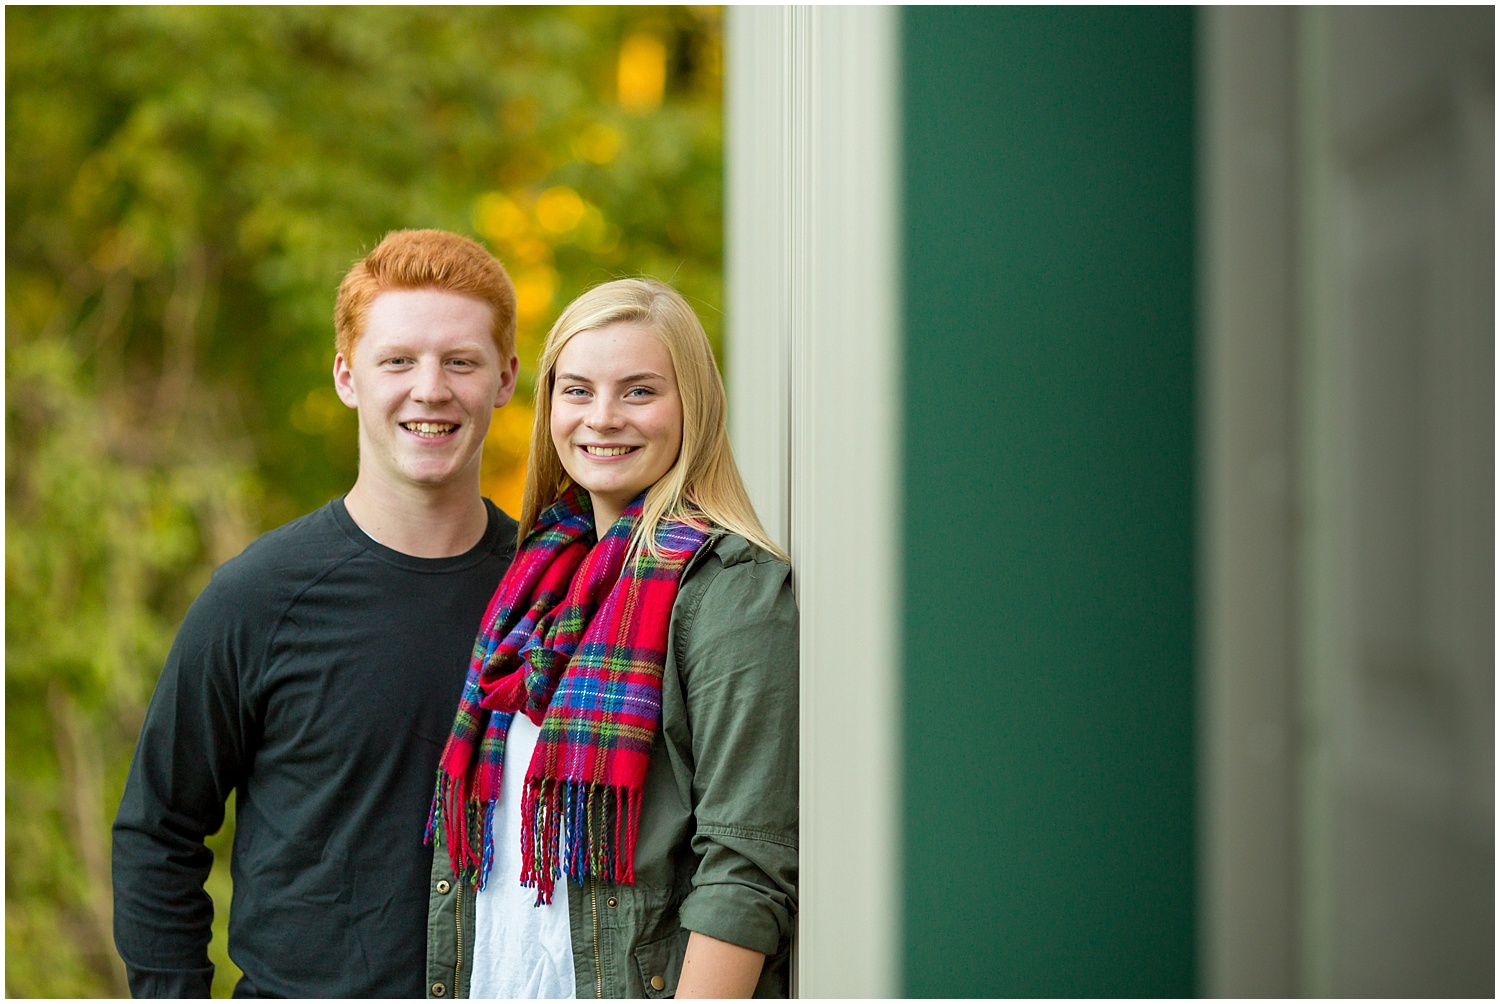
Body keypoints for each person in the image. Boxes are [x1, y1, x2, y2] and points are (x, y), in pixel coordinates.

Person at [112, 229, 522, 998]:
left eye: (459, 361)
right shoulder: (257, 598)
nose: (429, 389)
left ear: (503, 380)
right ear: (347, 377)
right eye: (397, 360)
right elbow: (159, 831)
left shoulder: (553, 589)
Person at [424, 278, 798, 999]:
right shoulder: (532, 583)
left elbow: (746, 868)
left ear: (693, 406)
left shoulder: (728, 589)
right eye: (578, 391)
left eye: (638, 391)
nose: (602, 418)